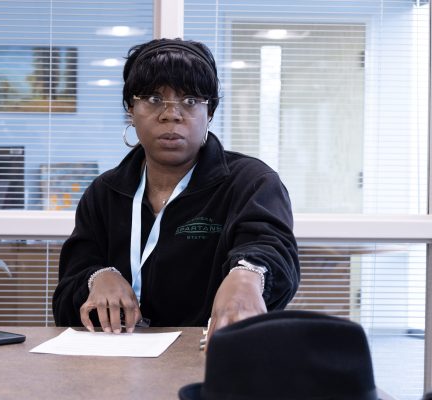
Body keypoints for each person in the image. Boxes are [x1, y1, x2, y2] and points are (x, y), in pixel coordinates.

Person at [52, 38, 300, 344]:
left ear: (210, 112)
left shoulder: (251, 182)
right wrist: (95, 279)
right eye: (154, 100)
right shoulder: (105, 193)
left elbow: (270, 250)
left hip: (210, 359)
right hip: (116, 366)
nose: (172, 114)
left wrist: (248, 275)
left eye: (191, 100)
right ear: (131, 108)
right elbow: (65, 301)